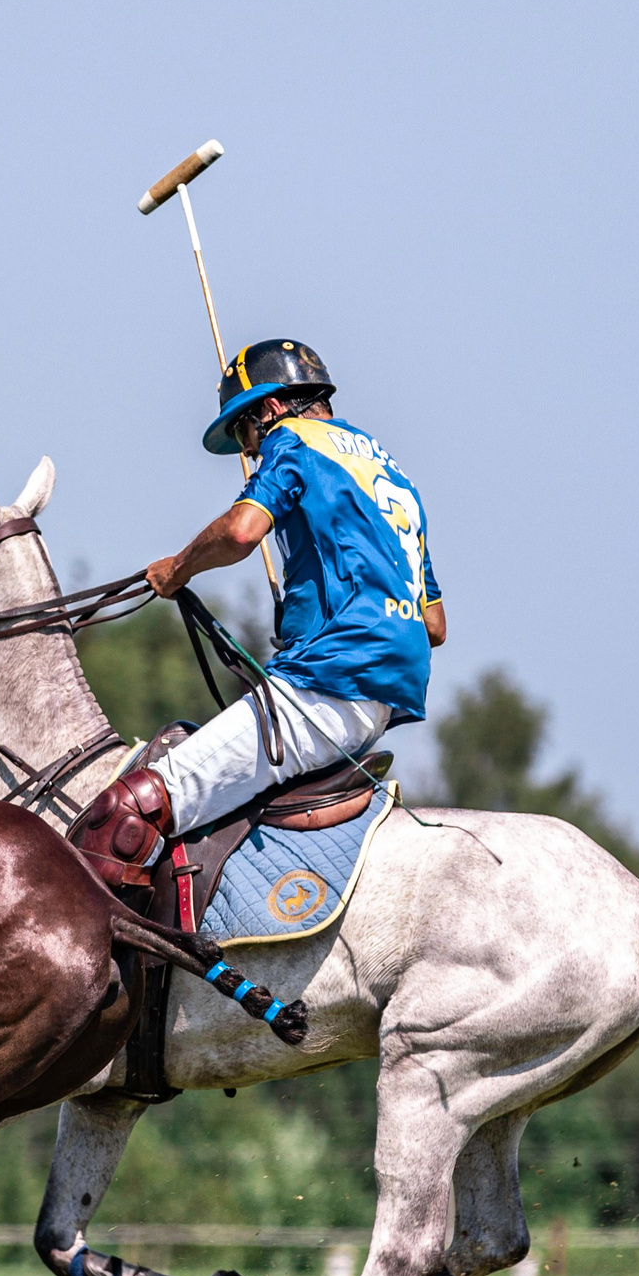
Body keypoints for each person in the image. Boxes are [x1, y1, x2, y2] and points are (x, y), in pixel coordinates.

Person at [71, 338, 445, 888]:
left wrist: (178, 568)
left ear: (270, 410)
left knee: (128, 813)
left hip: (329, 683)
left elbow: (243, 531)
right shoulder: (395, 480)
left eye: (246, 433)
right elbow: (433, 625)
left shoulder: (291, 439)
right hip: (384, 695)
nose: (249, 452)